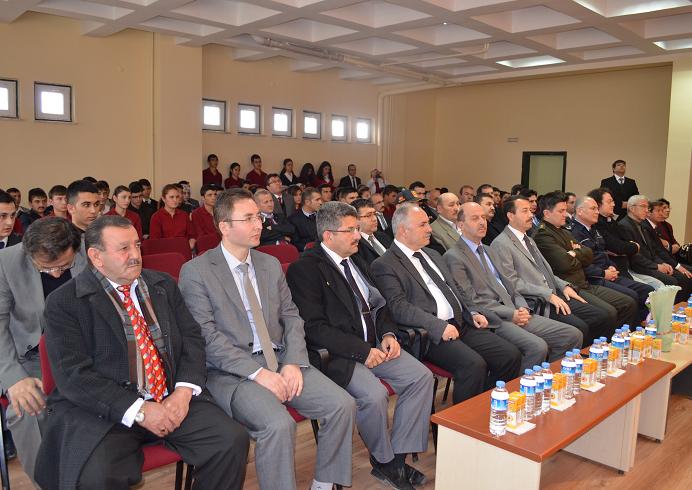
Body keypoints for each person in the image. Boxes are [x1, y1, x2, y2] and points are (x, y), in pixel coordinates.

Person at [35, 215, 249, 489]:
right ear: (96, 257)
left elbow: (192, 339)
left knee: (230, 441)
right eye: (124, 249)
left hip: (170, 397)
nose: (136, 255)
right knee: (98, 476)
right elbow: (74, 376)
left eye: (137, 245)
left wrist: (183, 392)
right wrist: (140, 410)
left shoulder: (163, 284)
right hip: (107, 410)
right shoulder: (65, 302)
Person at [178, 189, 355, 490]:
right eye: (248, 218)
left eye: (258, 217)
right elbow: (206, 336)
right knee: (278, 425)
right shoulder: (196, 271)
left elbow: (292, 316)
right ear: (224, 226)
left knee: (342, 405)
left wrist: (294, 362)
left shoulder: (269, 264)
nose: (258, 224)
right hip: (233, 372)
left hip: (281, 357)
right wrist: (258, 373)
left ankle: (325, 483)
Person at [287, 201, 432, 490]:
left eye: (357, 228)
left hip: (376, 344)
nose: (358, 235)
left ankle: (397, 457)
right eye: (350, 230)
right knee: (374, 395)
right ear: (328, 235)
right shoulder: (305, 269)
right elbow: (314, 328)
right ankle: (384, 460)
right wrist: (363, 352)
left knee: (421, 378)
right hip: (340, 354)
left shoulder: (358, 258)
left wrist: (388, 334)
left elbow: (382, 304)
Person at [371, 203, 521, 404]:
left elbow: (455, 289)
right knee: (473, 365)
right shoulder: (385, 264)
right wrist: (438, 326)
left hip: (460, 323)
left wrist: (472, 311)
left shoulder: (432, 254)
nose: (429, 229)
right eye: (423, 225)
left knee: (510, 355)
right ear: (403, 230)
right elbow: (399, 307)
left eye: (428, 223)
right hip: (429, 333)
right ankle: (463, 420)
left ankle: (485, 405)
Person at [0, 218, 86, 486]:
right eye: (47, 268)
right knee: (28, 408)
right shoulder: (5, 263)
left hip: (83, 350)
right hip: (32, 356)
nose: (57, 274)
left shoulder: (89, 251)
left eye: (64, 266)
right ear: (29, 254)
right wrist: (14, 378)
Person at [445, 203, 582, 371]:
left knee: (572, 335)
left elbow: (510, 284)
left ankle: (552, 379)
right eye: (475, 218)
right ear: (460, 225)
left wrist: (522, 307)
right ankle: (522, 386)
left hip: (517, 309)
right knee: (537, 347)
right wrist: (512, 314)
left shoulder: (488, 250)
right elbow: (472, 301)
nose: (482, 222)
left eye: (483, 217)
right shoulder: (454, 257)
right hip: (494, 317)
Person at [491, 196, 613, 347]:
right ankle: (577, 357)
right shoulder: (501, 244)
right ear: (510, 215)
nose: (531, 215)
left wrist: (564, 285)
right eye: (525, 211)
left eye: (530, 211)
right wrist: (547, 294)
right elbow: (512, 283)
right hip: (537, 300)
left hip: (554, 292)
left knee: (601, 315)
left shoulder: (529, 240)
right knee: (581, 327)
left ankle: (593, 354)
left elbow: (545, 271)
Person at [532, 191, 638, 340]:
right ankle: (598, 346)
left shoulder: (563, 231)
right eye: (561, 211)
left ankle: (616, 341)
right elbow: (564, 263)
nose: (565, 214)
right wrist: (577, 253)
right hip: (569, 286)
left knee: (628, 303)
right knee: (607, 314)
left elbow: (588, 254)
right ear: (547, 213)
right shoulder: (543, 235)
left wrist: (574, 253)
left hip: (584, 282)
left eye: (565, 210)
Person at [571, 196, 653, 321]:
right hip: (594, 278)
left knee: (647, 290)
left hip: (608, 273)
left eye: (597, 208)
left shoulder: (594, 229)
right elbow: (582, 264)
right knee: (631, 297)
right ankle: (627, 329)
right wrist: (604, 273)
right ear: (580, 211)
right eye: (593, 209)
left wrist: (611, 266)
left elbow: (603, 252)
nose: (597, 212)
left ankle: (640, 326)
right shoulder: (574, 233)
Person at [618, 195, 692, 303]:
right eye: (643, 206)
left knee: (682, 277)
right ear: (632, 208)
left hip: (650, 264)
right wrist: (657, 266)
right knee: (673, 280)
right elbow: (635, 256)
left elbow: (653, 251)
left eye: (647, 207)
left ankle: (679, 307)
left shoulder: (641, 225)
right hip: (638, 267)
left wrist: (662, 263)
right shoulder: (624, 226)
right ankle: (671, 309)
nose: (646, 210)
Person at [587, 187, 663, 289]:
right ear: (598, 204)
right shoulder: (597, 224)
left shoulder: (612, 221)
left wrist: (630, 247)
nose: (613, 204)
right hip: (615, 269)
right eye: (609, 202)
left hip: (626, 267)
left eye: (613, 201)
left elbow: (627, 244)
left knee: (657, 285)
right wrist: (627, 247)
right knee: (650, 288)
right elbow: (617, 247)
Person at [149, 184, 195, 250]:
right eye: (171, 197)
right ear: (163, 199)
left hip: (184, 249)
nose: (175, 200)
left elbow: (192, 235)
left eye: (177, 197)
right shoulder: (156, 217)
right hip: (165, 251)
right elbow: (155, 241)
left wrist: (190, 245)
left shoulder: (184, 215)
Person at [352, 199, 392, 265]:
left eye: (375, 214)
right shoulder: (355, 244)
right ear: (356, 219)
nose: (374, 219)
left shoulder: (383, 236)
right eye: (368, 215)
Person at [288, 187, 322, 251]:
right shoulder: (293, 219)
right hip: (307, 253)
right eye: (317, 200)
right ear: (307, 202)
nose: (320, 202)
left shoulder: (324, 215)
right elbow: (296, 243)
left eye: (320, 199)